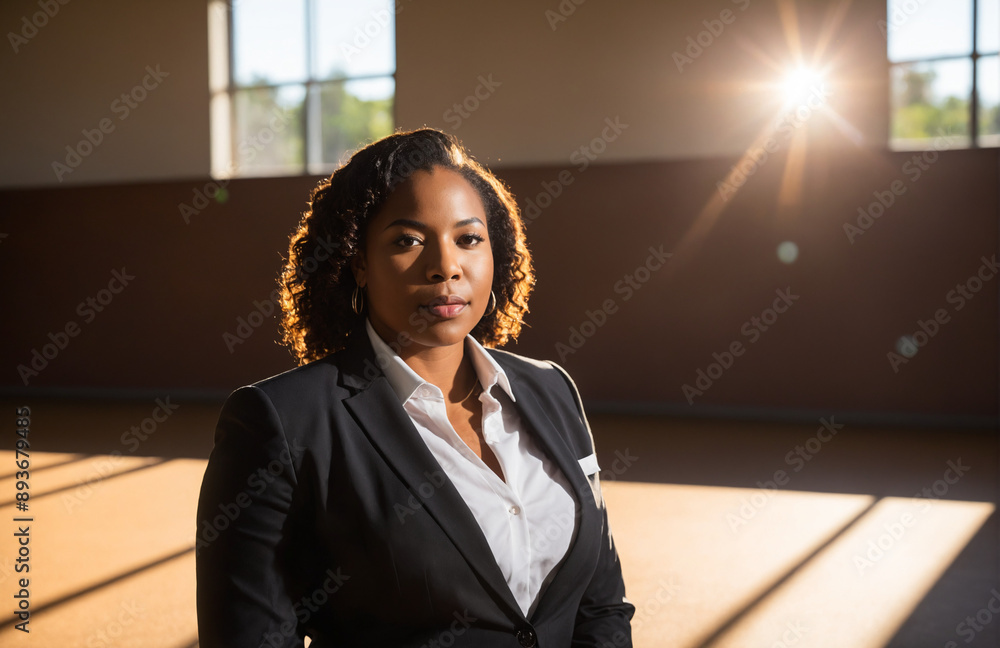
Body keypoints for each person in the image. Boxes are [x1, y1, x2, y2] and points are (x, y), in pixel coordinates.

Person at [195, 128, 634, 647]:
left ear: (497, 253)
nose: (445, 266)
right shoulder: (280, 422)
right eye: (408, 240)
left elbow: (600, 604)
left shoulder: (551, 389)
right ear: (358, 262)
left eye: (468, 239)